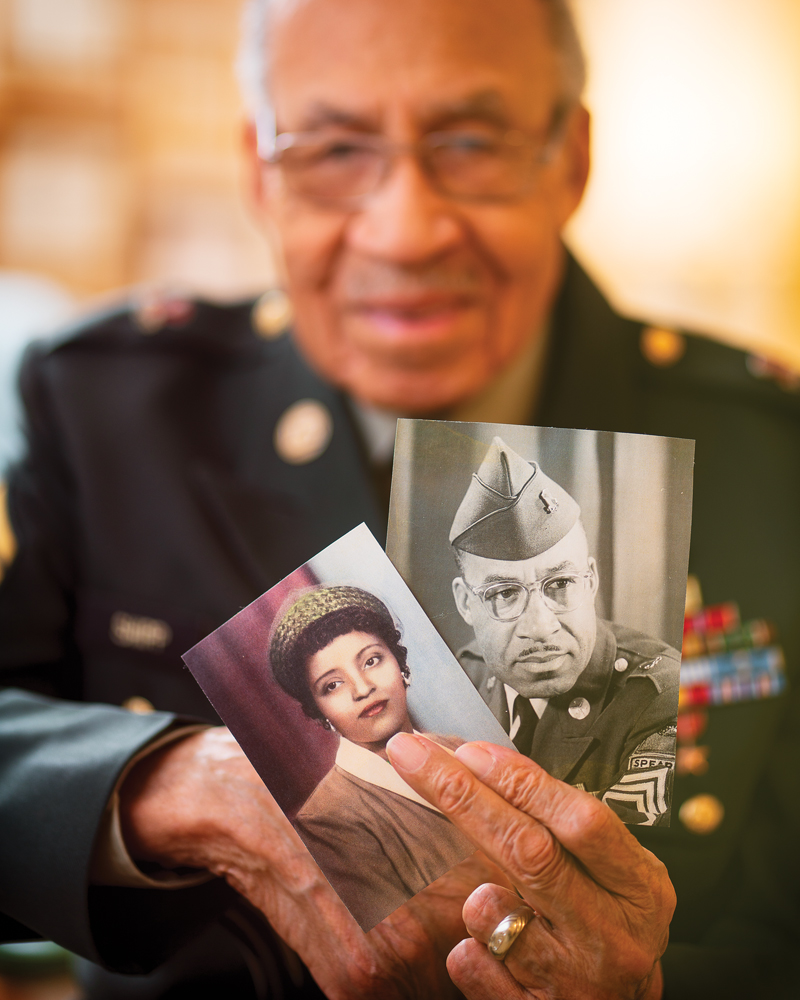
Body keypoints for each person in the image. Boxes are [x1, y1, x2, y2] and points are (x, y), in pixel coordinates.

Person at [0, 0, 798, 997]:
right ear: (259, 171)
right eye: (333, 149)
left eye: (470, 142)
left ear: (570, 159)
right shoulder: (105, 407)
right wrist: (165, 785)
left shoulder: (771, 449)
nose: (406, 228)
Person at [449, 436, 680, 825]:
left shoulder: (660, 697)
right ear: (466, 604)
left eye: (561, 585)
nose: (541, 627)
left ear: (590, 581)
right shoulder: (460, 678)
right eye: (504, 593)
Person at [269, 585, 475, 930]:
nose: (362, 688)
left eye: (371, 661)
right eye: (331, 685)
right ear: (319, 713)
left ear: (401, 664)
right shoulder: (325, 822)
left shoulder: (456, 748)